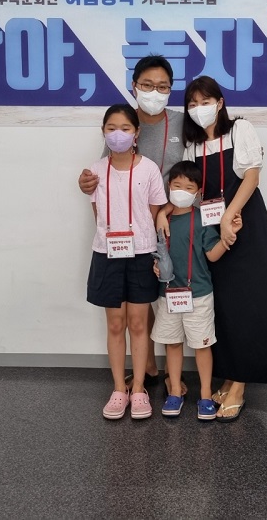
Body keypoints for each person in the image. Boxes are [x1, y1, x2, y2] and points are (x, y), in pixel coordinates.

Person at [160, 76, 267, 423]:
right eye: (192, 104)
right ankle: (230, 376)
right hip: (212, 234)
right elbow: (188, 190)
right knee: (224, 308)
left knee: (249, 304)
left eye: (205, 101)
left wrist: (229, 216)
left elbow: (252, 176)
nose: (199, 109)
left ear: (219, 103)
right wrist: (164, 212)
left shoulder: (240, 130)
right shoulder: (192, 147)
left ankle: (240, 385)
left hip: (246, 227)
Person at [78, 55, 185, 392]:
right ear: (134, 86)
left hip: (177, 218)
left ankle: (174, 374)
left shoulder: (182, 123)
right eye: (147, 85)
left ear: (171, 89)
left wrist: (170, 208)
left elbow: (198, 166)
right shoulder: (121, 124)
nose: (155, 92)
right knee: (142, 300)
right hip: (137, 230)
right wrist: (86, 185)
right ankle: (148, 368)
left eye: (163, 86)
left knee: (174, 292)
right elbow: (104, 181)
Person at [86, 104, 167, 420]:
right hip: (107, 254)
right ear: (103, 132)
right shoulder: (95, 171)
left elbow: (154, 212)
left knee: (138, 323)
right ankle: (119, 389)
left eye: (124, 128)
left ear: (136, 133)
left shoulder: (149, 169)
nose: (117, 134)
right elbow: (98, 214)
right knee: (116, 324)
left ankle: (139, 389)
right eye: (111, 128)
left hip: (141, 253)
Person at [151, 161, 241, 421]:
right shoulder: (162, 220)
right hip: (168, 295)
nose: (181, 191)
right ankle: (175, 391)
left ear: (198, 192)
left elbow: (212, 255)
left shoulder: (201, 219)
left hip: (198, 294)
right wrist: (155, 266)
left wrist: (227, 238)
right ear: (169, 186)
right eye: (176, 185)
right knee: (172, 344)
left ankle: (205, 395)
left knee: (202, 346)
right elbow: (156, 252)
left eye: (188, 187)